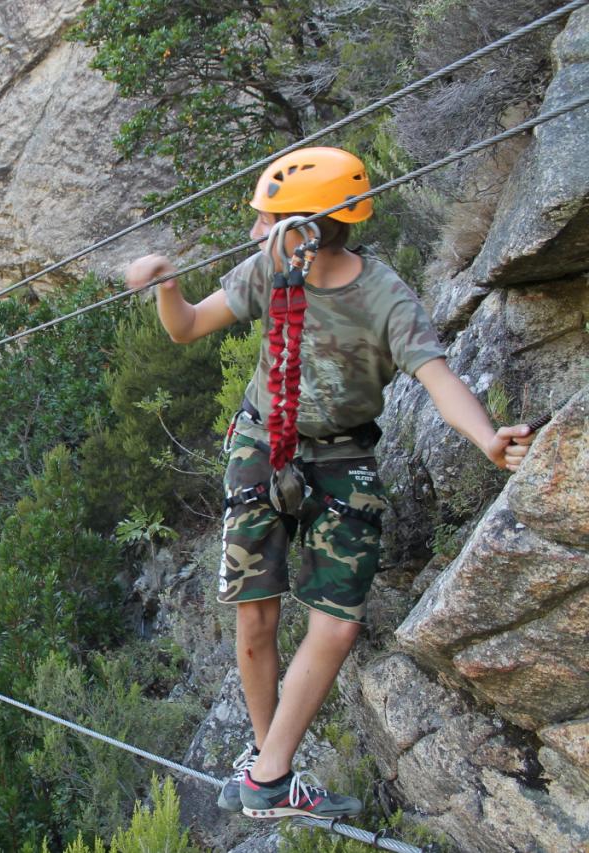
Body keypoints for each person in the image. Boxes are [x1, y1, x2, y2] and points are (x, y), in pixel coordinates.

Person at [124, 147, 533, 819]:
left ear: (309, 229)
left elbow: (439, 377)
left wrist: (487, 437)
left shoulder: (384, 296)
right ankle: (271, 769)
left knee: (336, 626)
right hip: (263, 440)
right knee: (255, 613)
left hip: (342, 456)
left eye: (270, 221)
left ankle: (267, 771)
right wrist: (168, 285)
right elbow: (189, 325)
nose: (256, 233)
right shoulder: (270, 269)